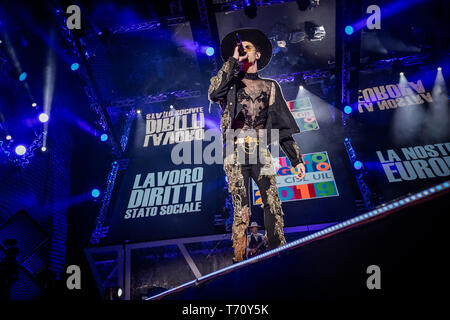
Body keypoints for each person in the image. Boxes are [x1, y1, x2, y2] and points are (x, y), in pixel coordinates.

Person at [208, 28, 306, 263]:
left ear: (258, 54)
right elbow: (213, 93)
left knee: (272, 201)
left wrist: (296, 160)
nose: (244, 50)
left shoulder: (270, 86)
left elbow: (283, 128)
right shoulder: (230, 85)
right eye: (241, 48)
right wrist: (233, 60)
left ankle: (277, 252)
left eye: (248, 47)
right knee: (242, 209)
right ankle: (240, 259)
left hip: (261, 149)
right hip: (234, 150)